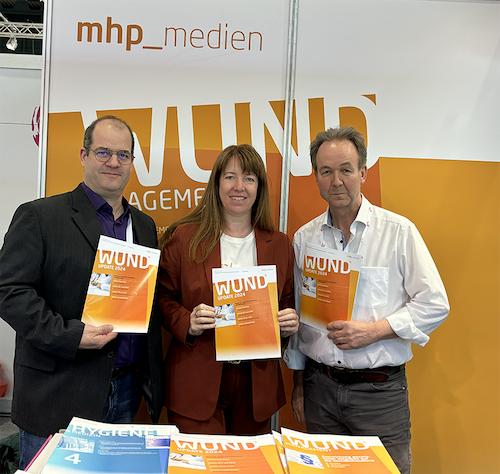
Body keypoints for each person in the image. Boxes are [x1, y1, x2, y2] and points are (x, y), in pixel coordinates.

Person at [0, 115, 164, 469]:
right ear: (83, 155)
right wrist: (71, 336)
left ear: (132, 163)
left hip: (125, 391)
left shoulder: (145, 226)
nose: (113, 162)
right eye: (103, 152)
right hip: (57, 392)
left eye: (123, 155)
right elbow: (9, 291)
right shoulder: (40, 216)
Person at [284, 126, 449, 474]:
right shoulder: (303, 240)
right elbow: (300, 318)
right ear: (315, 176)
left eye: (346, 169)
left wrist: (375, 331)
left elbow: (435, 303)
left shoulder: (398, 232)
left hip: (379, 395)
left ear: (363, 172)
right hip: (319, 391)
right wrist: (298, 386)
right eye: (326, 171)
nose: (336, 181)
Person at [158, 144, 299, 435]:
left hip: (256, 385)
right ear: (217, 183)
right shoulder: (184, 238)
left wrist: (288, 323)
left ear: (259, 188)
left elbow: (285, 303)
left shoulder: (280, 244)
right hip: (196, 381)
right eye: (230, 177)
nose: (239, 187)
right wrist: (188, 322)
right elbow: (161, 298)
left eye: (249, 178)